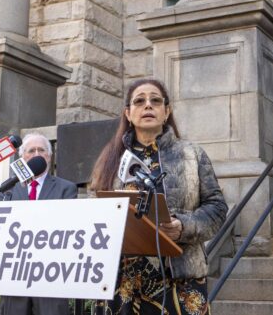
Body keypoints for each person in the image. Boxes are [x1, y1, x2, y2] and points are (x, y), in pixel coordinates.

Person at [91, 78, 227, 315]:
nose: (148, 106)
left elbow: (217, 208)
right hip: (122, 281)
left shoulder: (192, 154)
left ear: (167, 112)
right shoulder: (110, 159)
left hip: (180, 280)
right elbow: (96, 213)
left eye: (155, 100)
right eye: (139, 101)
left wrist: (184, 226)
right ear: (128, 113)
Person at [0, 133, 78, 315]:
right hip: (14, 274)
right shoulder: (8, 190)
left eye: (41, 150)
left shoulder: (66, 188)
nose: (36, 154)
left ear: (49, 157)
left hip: (51, 275)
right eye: (31, 150)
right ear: (22, 157)